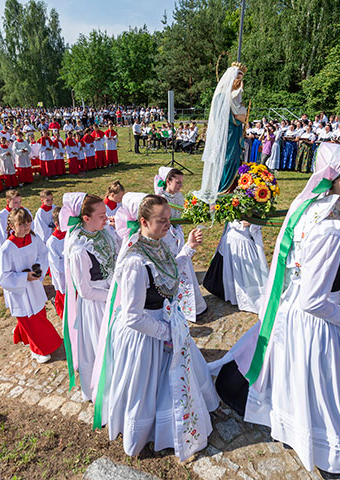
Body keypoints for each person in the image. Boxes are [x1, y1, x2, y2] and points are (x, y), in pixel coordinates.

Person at [210, 144, 340, 475]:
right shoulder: (330, 229)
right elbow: (314, 299)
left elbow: (313, 260)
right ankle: (324, 445)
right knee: (317, 382)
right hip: (315, 320)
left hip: (296, 312)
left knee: (297, 374)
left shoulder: (316, 206)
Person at [91, 194, 219, 460]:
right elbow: (132, 317)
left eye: (169, 220)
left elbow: (170, 272)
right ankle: (150, 431)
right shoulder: (135, 263)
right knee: (146, 388)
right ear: (143, 222)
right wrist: (166, 332)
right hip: (145, 334)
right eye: (162, 221)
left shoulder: (157, 245)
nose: (168, 226)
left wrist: (189, 249)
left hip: (164, 321)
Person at [60, 192, 118, 401]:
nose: (106, 218)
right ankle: (106, 393)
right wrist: (113, 295)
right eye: (101, 215)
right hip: (98, 304)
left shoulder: (105, 232)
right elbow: (85, 291)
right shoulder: (78, 249)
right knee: (104, 348)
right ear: (86, 218)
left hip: (114, 293)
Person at [0, 207, 63, 364]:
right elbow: (3, 276)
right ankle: (37, 349)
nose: (26, 227)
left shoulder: (34, 239)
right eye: (21, 224)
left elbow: (43, 254)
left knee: (39, 315)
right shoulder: (6, 249)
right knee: (29, 320)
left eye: (28, 224)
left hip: (34, 286)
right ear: (12, 226)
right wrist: (24, 277)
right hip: (20, 292)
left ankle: (29, 340)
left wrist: (38, 268)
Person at [155, 167, 207, 322]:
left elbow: (183, 213)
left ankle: (192, 305)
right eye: (177, 182)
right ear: (168, 181)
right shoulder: (159, 198)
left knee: (185, 267)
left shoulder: (179, 196)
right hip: (166, 237)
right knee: (173, 267)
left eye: (181, 183)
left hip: (178, 235)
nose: (180, 186)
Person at [195, 62, 247, 204]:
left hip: (235, 134)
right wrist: (237, 118)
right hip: (226, 135)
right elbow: (222, 118)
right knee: (227, 159)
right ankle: (223, 188)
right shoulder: (221, 97)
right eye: (238, 79)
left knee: (235, 159)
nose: (240, 83)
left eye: (241, 79)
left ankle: (231, 188)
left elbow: (239, 110)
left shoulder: (235, 95)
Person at [202, 220, 268, 313]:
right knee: (229, 269)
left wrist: (251, 222)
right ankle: (231, 294)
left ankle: (247, 296)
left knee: (248, 272)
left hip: (244, 242)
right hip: (230, 240)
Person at [46, 206, 66, 319]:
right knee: (66, 305)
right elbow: (56, 266)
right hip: (64, 279)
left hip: (76, 275)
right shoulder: (52, 242)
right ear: (56, 224)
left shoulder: (71, 234)